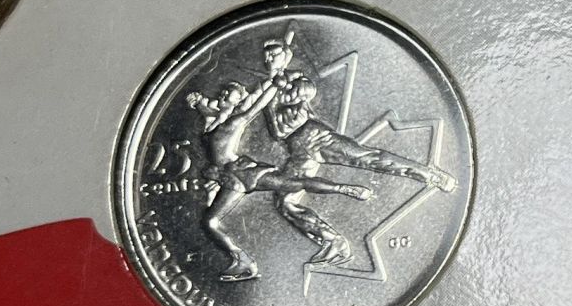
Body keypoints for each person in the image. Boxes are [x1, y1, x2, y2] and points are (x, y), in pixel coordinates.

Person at [185, 41, 370, 282]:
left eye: (227, 94)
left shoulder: (234, 122)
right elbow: (208, 113)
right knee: (210, 221)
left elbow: (254, 108)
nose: (221, 95)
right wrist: (198, 101)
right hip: (231, 180)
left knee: (293, 184)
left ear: (236, 102)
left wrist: (274, 86)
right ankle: (243, 261)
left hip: (242, 173)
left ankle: (343, 189)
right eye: (221, 93)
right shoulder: (213, 122)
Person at [264, 39, 455, 268]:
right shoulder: (267, 89)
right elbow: (278, 131)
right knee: (285, 200)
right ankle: (335, 243)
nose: (268, 58)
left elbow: (302, 100)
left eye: (274, 53)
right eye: (267, 56)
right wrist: (273, 92)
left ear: (285, 56)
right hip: (297, 150)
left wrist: (282, 91)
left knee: (368, 158)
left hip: (316, 136)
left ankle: (429, 174)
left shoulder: (294, 78)